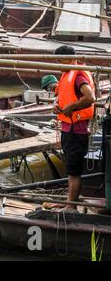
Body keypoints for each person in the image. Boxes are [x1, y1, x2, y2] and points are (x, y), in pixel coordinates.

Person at [52, 45, 95, 211]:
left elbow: (89, 97)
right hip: (67, 128)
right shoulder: (66, 75)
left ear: (70, 59)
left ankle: (71, 207)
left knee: (74, 170)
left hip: (76, 130)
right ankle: (69, 201)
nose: (58, 64)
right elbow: (60, 97)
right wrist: (55, 104)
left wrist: (73, 107)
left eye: (59, 61)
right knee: (70, 168)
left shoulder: (78, 76)